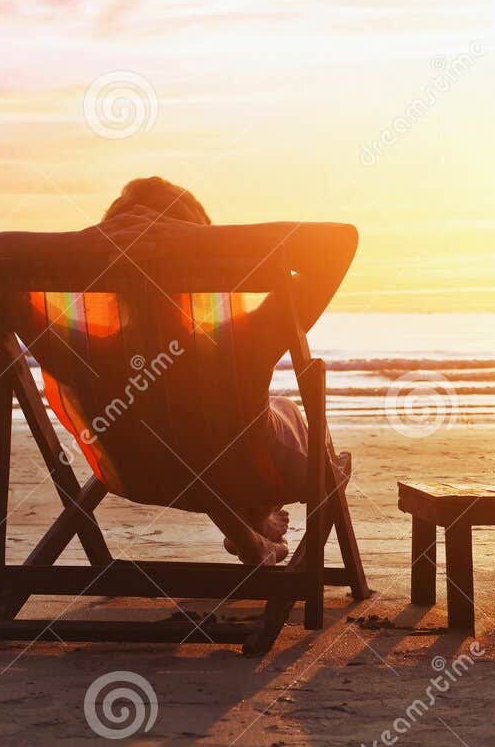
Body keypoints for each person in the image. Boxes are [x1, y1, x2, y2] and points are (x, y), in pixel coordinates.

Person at [73, 177, 322, 566]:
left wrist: (92, 244)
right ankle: (255, 515)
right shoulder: (240, 341)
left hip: (139, 474)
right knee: (278, 411)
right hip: (249, 473)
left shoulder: (86, 349)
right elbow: (341, 243)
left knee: (198, 439)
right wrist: (194, 241)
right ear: (203, 257)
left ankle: (250, 532)